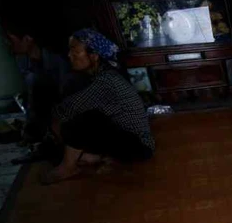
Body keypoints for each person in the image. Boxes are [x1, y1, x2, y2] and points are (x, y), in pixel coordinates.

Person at [42, 28, 154, 184]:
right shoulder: (100, 75)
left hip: (138, 147)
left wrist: (55, 133)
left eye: (75, 52)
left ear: (94, 56)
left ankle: (68, 167)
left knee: (86, 120)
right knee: (79, 121)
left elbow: (65, 110)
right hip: (124, 139)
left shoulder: (106, 80)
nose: (69, 56)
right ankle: (93, 157)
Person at [3, 23, 73, 143]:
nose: (8, 44)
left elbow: (67, 99)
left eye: (11, 39)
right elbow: (32, 98)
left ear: (27, 39)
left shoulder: (57, 62)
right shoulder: (23, 60)